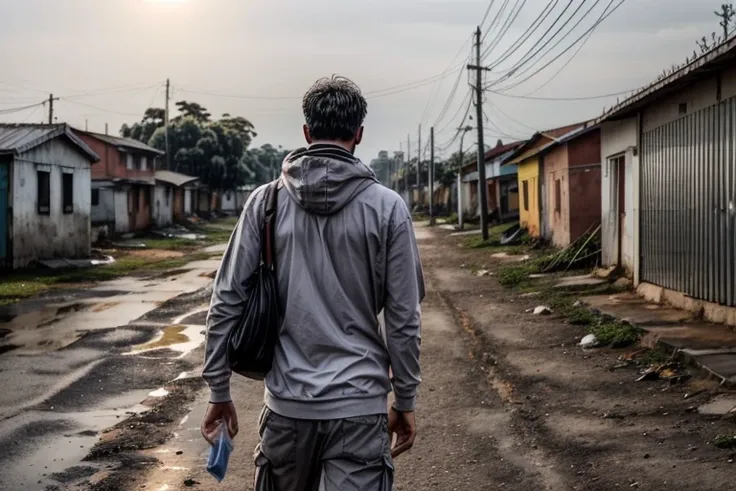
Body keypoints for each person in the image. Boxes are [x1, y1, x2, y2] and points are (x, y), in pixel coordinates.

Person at [201, 75, 424, 491]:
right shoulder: (387, 208)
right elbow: (403, 318)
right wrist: (405, 399)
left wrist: (218, 389)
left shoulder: (264, 202)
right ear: (359, 134)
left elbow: (226, 299)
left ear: (306, 132)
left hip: (287, 407)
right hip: (360, 406)